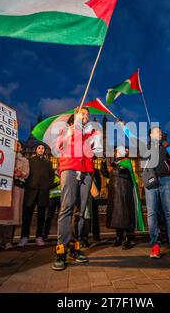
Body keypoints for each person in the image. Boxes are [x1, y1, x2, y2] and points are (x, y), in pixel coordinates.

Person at [51, 107, 103, 271]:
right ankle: (61, 249)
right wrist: (68, 135)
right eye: (83, 113)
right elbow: (57, 148)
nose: (86, 116)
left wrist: (98, 140)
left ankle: (76, 246)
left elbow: (97, 154)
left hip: (87, 171)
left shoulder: (92, 133)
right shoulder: (67, 129)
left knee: (80, 211)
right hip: (69, 168)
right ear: (76, 115)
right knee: (67, 207)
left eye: (87, 114)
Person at [142, 127, 170, 260]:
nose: (159, 133)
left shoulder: (164, 146)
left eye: (160, 132)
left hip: (165, 179)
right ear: (150, 134)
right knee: (152, 213)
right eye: (156, 131)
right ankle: (155, 244)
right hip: (151, 181)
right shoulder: (146, 146)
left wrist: (167, 145)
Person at [0, 141, 29, 250]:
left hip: (15, 188)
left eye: (18, 145)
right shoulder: (2, 155)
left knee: (11, 215)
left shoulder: (24, 160)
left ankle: (7, 240)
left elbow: (26, 174)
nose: (16, 146)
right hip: (2, 187)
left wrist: (19, 173)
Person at [101, 146, 136, 250]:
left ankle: (128, 238)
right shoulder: (115, 163)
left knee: (125, 215)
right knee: (117, 215)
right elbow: (106, 173)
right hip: (115, 193)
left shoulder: (126, 162)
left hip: (124, 192)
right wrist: (104, 162)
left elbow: (126, 174)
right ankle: (118, 237)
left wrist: (114, 168)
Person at [19, 144, 53, 247]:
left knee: (41, 216)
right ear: (36, 149)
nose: (41, 149)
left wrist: (47, 185)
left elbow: (51, 176)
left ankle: (39, 237)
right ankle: (24, 237)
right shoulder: (30, 161)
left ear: (44, 150)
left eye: (42, 148)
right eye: (39, 148)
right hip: (31, 191)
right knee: (27, 215)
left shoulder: (48, 163)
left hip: (43, 192)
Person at [42, 170, 61, 241]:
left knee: (61, 217)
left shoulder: (63, 175)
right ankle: (45, 234)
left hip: (61, 198)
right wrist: (58, 183)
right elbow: (49, 186)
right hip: (52, 198)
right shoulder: (52, 175)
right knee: (49, 216)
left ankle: (60, 234)